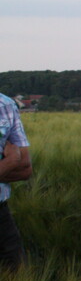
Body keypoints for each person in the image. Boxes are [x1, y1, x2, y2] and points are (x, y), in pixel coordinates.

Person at [0, 93, 32, 271]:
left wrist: (13, 163)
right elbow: (17, 162)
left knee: (18, 277)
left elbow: (25, 168)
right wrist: (10, 162)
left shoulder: (5, 105)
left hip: (2, 217)